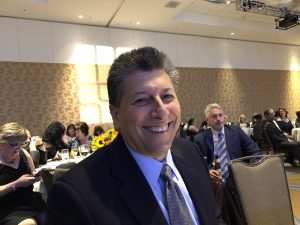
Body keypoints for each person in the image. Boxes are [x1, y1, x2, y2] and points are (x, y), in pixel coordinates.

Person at [45, 47, 217, 225]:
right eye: (142, 99)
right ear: (116, 115)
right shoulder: (74, 196)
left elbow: (214, 218)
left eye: (167, 96)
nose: (161, 111)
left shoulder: (190, 153)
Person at [194, 103, 261, 224]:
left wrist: (251, 169)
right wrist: (206, 171)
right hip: (214, 179)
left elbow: (254, 149)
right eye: (214, 116)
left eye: (220, 115)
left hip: (236, 176)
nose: (218, 119)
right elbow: (197, 163)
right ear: (207, 120)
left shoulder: (235, 131)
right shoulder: (200, 138)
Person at [0, 122, 45, 225]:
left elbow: (33, 172)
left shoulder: (23, 153)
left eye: (21, 144)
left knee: (58, 208)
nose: (18, 148)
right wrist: (17, 184)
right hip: (7, 208)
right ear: (1, 143)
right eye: (14, 144)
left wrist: (35, 177)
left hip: (30, 199)